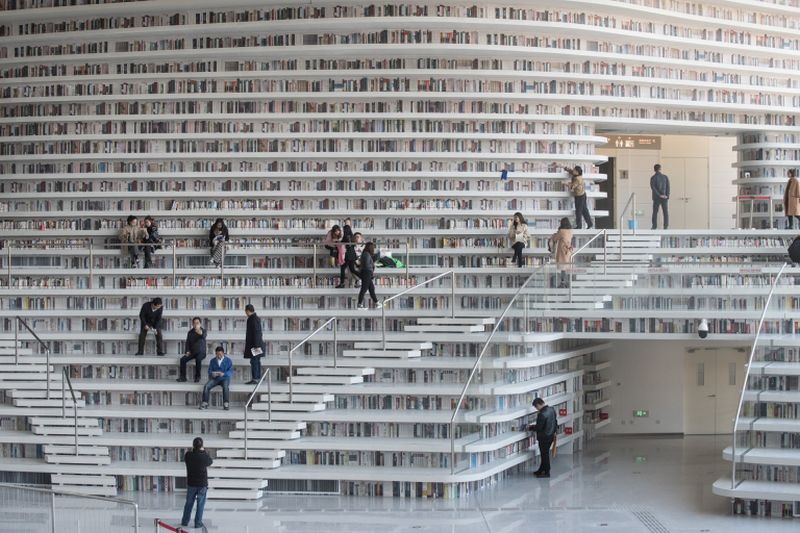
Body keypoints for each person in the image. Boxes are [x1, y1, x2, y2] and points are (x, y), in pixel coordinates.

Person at [181, 437, 212, 529]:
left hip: (191, 483)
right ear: (202, 446)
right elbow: (210, 461)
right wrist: (203, 451)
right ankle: (198, 523)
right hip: (202, 484)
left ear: (193, 445)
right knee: (200, 504)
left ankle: (185, 521)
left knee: (189, 503)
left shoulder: (188, 455)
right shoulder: (203, 456)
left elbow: (188, 457)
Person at [530, 398, 558, 478]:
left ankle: (546, 472)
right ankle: (541, 470)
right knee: (544, 454)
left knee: (544, 455)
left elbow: (539, 427)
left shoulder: (541, 414)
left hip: (544, 438)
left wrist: (530, 428)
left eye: (536, 407)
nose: (536, 409)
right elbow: (555, 421)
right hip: (551, 435)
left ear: (538, 405)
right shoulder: (551, 409)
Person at [177, 317, 207, 383]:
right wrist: (187, 351)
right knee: (182, 359)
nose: (196, 324)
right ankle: (183, 377)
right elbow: (187, 343)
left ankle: (197, 377)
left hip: (201, 352)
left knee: (198, 359)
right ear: (192, 324)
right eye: (194, 323)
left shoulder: (203, 331)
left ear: (200, 324)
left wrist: (199, 331)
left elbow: (203, 336)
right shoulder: (190, 332)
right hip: (192, 352)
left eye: (197, 323)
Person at [548, 218, 574, 288]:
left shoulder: (562, 231)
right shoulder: (570, 232)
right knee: (566, 267)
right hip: (568, 251)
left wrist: (554, 235)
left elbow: (555, 238)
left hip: (562, 251)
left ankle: (563, 283)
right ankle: (567, 283)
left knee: (562, 268)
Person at [244, 304, 265, 385]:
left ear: (248, 311)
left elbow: (256, 333)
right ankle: (257, 378)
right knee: (256, 361)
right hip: (256, 344)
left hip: (255, 345)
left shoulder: (253, 319)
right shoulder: (255, 318)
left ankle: (255, 378)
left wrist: (256, 346)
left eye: (245, 311)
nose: (245, 313)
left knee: (254, 361)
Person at [336, 224, 361, 288]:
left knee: (343, 268)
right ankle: (360, 278)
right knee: (352, 269)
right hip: (352, 255)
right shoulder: (352, 236)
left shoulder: (346, 236)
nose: (342, 231)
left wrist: (338, 241)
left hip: (348, 255)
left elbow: (343, 243)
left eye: (343, 229)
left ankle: (342, 283)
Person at [357, 242, 379, 310]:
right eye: (373, 247)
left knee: (371, 288)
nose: (374, 249)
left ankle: (377, 303)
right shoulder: (366, 254)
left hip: (367, 272)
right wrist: (371, 268)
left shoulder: (366, 254)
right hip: (367, 273)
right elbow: (367, 264)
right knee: (364, 289)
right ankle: (359, 305)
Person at [650, 164, 670, 230]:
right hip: (664, 197)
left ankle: (654, 226)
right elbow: (668, 187)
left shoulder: (653, 178)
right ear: (660, 169)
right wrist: (667, 196)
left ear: (654, 169)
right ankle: (666, 226)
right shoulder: (665, 177)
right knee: (665, 212)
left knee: (655, 212)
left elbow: (653, 188)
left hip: (656, 197)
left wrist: (659, 195)